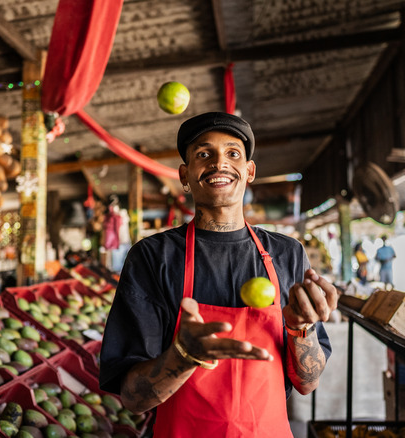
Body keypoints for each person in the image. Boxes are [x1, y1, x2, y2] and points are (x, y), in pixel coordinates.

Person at [99, 112, 339, 437]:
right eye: (203, 154)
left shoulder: (287, 253)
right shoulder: (153, 257)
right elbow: (133, 398)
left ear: (249, 171)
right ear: (185, 175)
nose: (219, 163)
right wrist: (183, 357)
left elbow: (307, 383)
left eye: (233, 153)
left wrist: (300, 328)